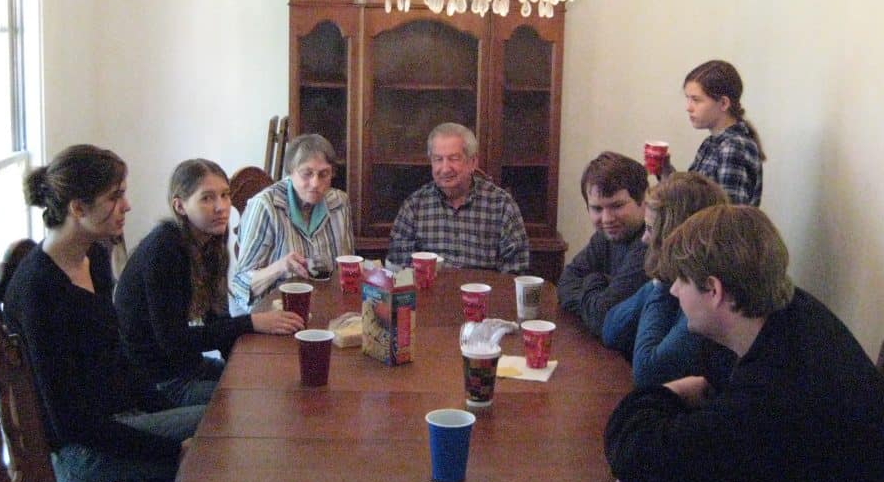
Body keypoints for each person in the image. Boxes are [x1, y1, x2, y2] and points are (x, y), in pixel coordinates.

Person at [603, 205, 884, 482]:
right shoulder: (792, 313)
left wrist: (670, 396)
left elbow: (631, 450)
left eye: (681, 280)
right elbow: (700, 427)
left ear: (714, 291)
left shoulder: (777, 388)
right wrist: (670, 463)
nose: (673, 289)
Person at [3, 145, 205, 482]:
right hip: (83, 457)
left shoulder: (92, 256)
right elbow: (73, 424)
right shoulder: (38, 291)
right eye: (115, 196)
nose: (126, 206)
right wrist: (172, 448)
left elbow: (120, 361)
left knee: (218, 419)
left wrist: (164, 410)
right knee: (217, 441)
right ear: (77, 207)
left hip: (117, 425)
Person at [116, 159, 305, 407]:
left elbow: (216, 319)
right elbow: (174, 341)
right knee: (253, 400)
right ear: (180, 206)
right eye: (206, 198)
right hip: (159, 382)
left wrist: (237, 363)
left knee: (272, 379)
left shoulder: (211, 240)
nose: (221, 207)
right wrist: (251, 322)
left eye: (225, 195)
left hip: (189, 367)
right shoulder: (164, 249)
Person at [601, 172, 733, 387]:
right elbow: (610, 330)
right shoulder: (675, 281)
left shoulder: (704, 292)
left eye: (651, 229)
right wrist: (661, 282)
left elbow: (647, 374)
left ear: (674, 235)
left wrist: (662, 284)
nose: (644, 239)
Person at [230, 133, 355, 313]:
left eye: (324, 174)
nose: (315, 183)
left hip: (323, 306)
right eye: (307, 174)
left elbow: (345, 266)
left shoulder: (339, 202)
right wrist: (280, 267)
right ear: (290, 172)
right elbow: (241, 285)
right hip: (273, 311)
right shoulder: (266, 206)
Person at [387, 123, 529, 273]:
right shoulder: (414, 206)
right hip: (431, 294)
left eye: (454, 159)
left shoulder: (502, 205)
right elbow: (397, 265)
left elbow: (516, 271)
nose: (445, 168)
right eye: (438, 159)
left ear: (473, 162)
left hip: (485, 294)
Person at [557, 151, 649, 337]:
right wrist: (601, 289)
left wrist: (593, 280)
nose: (607, 219)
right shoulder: (605, 236)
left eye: (617, 206)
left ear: (643, 201)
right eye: (597, 209)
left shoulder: (650, 243)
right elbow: (565, 283)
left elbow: (603, 318)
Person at [663, 60, 764, 206]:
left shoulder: (734, 147)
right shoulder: (711, 143)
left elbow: (727, 218)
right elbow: (690, 197)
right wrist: (666, 171)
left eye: (696, 100)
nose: (688, 108)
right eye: (688, 99)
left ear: (723, 103)